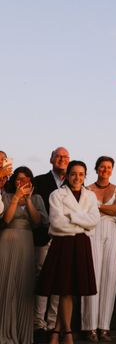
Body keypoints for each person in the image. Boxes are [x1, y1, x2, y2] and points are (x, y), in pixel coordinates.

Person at [38, 160, 99, 344]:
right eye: (73, 173)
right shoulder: (57, 195)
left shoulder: (90, 196)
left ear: (85, 176)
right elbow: (56, 223)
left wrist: (71, 216)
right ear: (67, 175)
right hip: (63, 244)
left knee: (70, 290)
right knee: (64, 290)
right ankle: (68, 333)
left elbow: (94, 220)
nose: (77, 177)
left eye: (81, 174)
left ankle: (56, 332)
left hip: (81, 245)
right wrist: (82, 224)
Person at [0, 166, 48, 344]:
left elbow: (37, 222)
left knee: (24, 285)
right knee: (5, 284)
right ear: (14, 181)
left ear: (30, 181)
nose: (22, 183)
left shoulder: (36, 198)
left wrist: (27, 201)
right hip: (6, 241)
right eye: (18, 179)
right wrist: (16, 198)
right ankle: (4, 332)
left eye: (25, 179)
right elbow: (5, 219)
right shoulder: (6, 196)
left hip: (27, 242)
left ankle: (22, 333)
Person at [81, 156, 116, 343]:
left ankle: (104, 327)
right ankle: (89, 326)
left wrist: (98, 207)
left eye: (108, 167)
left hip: (113, 233)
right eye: (102, 167)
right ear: (96, 168)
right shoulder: (87, 188)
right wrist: (107, 208)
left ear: (112, 170)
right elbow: (86, 211)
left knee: (110, 276)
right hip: (93, 230)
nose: (105, 170)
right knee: (92, 276)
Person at [32, 146, 70, 340]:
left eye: (65, 157)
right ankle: (38, 323)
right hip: (44, 238)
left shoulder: (73, 182)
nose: (62, 159)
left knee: (59, 281)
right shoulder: (39, 181)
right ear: (51, 159)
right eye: (58, 156)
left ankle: (53, 324)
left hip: (65, 240)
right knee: (41, 279)